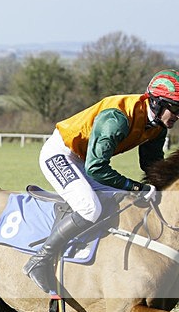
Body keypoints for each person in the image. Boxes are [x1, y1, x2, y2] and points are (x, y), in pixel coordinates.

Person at [23, 69, 179, 295]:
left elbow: (152, 166)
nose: (177, 115)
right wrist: (136, 187)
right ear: (156, 102)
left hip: (85, 159)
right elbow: (96, 168)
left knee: (122, 201)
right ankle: (39, 260)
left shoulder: (157, 125)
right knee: (90, 207)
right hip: (61, 154)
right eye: (174, 107)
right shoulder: (117, 119)